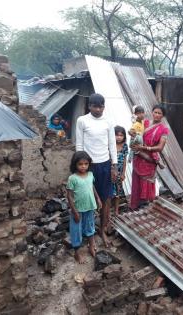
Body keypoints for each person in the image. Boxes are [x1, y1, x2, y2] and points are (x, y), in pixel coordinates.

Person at [76, 93, 117, 247]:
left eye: (101, 106)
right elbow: (79, 145)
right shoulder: (82, 121)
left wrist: (114, 166)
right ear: (89, 106)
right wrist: (80, 168)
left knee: (106, 199)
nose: (98, 109)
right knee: (88, 201)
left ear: (104, 107)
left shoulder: (108, 121)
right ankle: (89, 232)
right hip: (88, 166)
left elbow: (112, 144)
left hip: (105, 164)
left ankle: (103, 230)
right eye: (95, 106)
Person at [130, 104, 169, 210]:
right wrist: (133, 134)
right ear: (152, 112)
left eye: (159, 113)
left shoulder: (164, 130)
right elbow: (136, 132)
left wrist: (145, 148)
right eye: (155, 112)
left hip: (149, 158)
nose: (156, 115)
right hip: (138, 156)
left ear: (163, 116)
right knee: (137, 181)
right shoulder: (144, 123)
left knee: (146, 182)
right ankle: (136, 205)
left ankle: (145, 206)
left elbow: (160, 147)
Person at [66, 151, 102, 263]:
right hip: (78, 209)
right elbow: (69, 195)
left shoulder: (90, 174)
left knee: (90, 227)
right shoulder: (73, 178)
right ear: (75, 165)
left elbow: (92, 187)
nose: (83, 166)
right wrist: (74, 211)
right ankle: (77, 253)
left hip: (89, 206)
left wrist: (98, 198)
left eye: (86, 164)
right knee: (76, 230)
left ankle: (91, 246)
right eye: (80, 164)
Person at [112, 126, 128, 215]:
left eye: (121, 135)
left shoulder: (125, 146)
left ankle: (116, 210)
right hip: (111, 172)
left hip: (119, 172)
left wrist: (123, 173)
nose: (119, 137)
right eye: (116, 135)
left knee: (118, 192)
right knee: (110, 191)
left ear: (124, 136)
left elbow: (125, 161)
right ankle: (107, 209)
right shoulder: (110, 145)